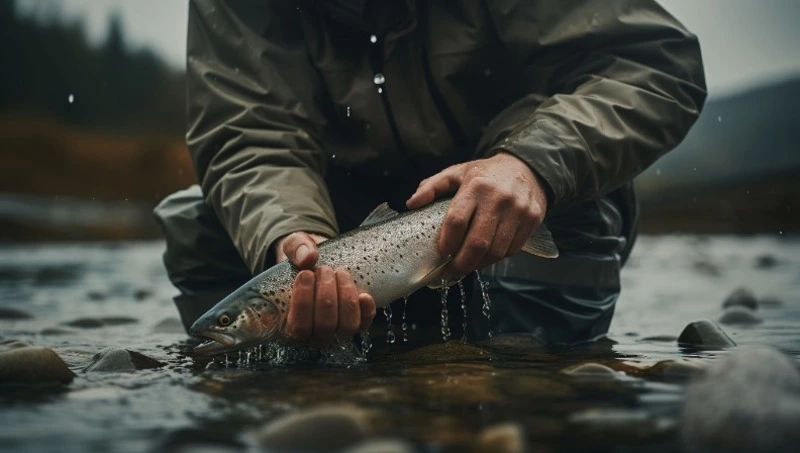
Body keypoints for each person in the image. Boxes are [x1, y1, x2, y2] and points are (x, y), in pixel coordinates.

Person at [155, 0, 706, 349]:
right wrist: (288, 233)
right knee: (197, 224)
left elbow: (657, 66)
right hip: (343, 224)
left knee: (568, 213)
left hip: (513, 202)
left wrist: (530, 164)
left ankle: (532, 386)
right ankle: (308, 376)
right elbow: (250, 133)